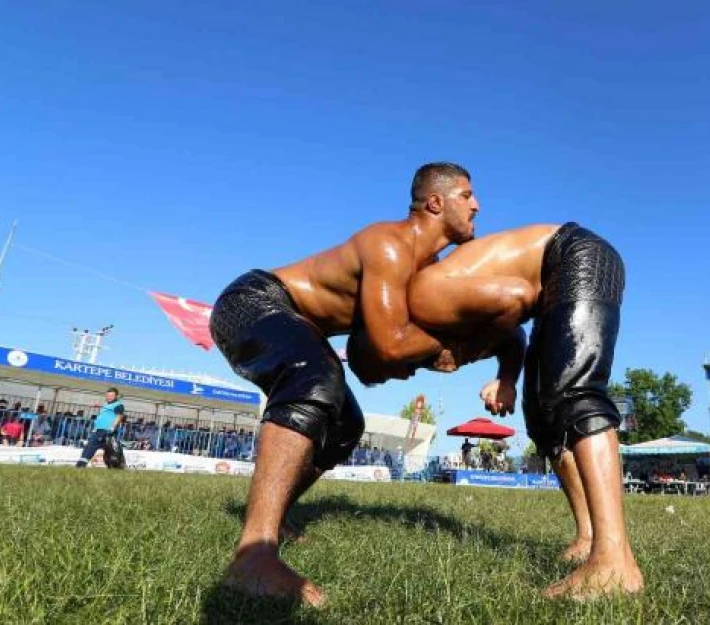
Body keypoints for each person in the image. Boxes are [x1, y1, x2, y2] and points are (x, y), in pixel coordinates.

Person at [209, 162, 510, 607]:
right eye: (467, 195)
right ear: (435, 202)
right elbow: (390, 346)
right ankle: (253, 555)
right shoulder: (390, 245)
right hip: (252, 301)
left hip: (301, 325)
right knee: (314, 377)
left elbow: (372, 360)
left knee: (347, 424)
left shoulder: (429, 270)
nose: (477, 204)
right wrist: (453, 345)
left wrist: (490, 360)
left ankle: (277, 519)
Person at [389, 222, 643, 599]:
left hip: (575, 254)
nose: (442, 367)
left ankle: (614, 562)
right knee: (543, 419)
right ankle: (588, 537)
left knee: (576, 392)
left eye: (423, 362)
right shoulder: (446, 302)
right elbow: (513, 330)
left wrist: (482, 346)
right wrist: (507, 379)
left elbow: (517, 296)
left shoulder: (426, 294)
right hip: (552, 283)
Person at [75, 388, 125, 468]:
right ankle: (117, 466)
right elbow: (108, 412)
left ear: (116, 396)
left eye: (111, 395)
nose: (109, 397)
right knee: (110, 449)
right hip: (99, 429)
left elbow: (119, 416)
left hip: (106, 430)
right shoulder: (106, 404)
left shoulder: (118, 405)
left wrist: (112, 427)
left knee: (91, 445)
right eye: (108, 395)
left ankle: (81, 464)